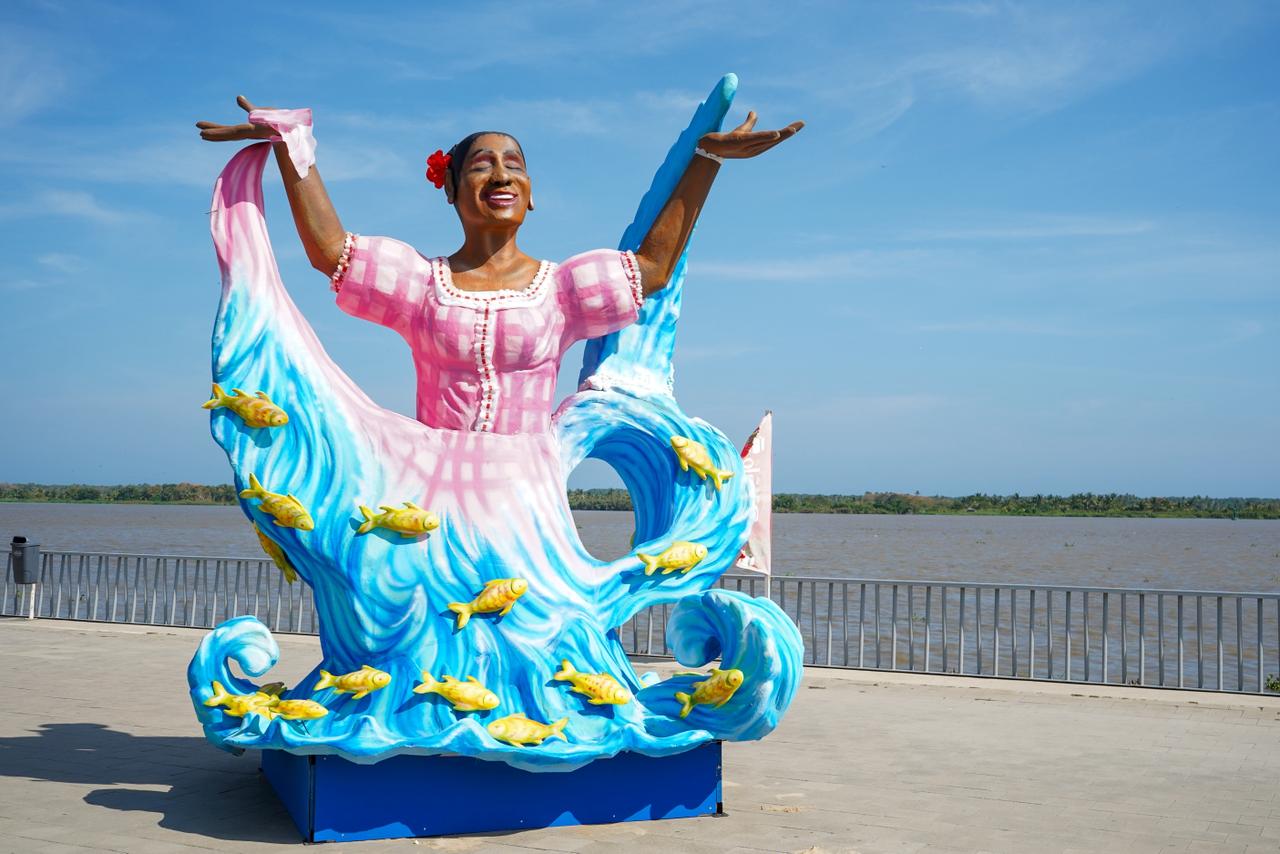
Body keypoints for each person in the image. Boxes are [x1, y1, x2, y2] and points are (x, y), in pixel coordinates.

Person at [197, 97, 802, 434]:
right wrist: (290, 143)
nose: (501, 173)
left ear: (530, 194)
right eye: (481, 165)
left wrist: (705, 159)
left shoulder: (561, 289)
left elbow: (653, 267)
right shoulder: (420, 285)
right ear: (452, 189)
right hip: (432, 490)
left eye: (514, 164)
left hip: (527, 497)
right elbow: (332, 252)